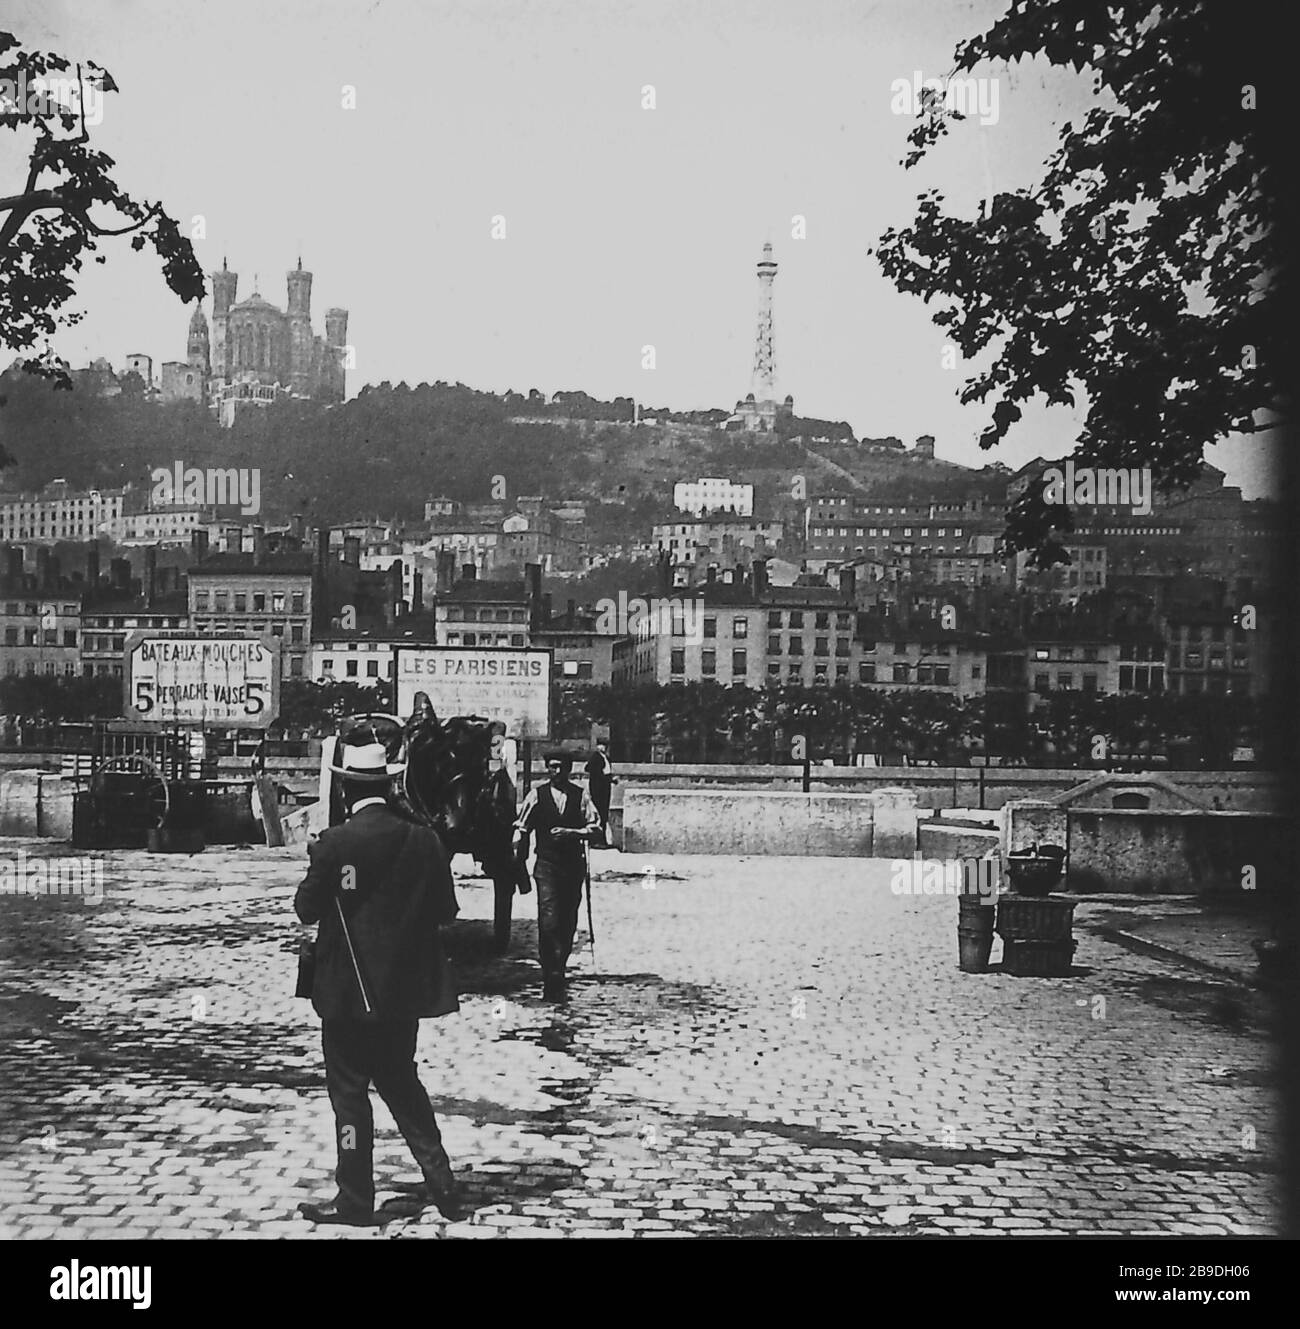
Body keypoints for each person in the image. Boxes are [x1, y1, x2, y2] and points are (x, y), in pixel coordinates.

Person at [294, 742, 465, 1226]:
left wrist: (325, 869)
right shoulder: (425, 841)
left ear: (346, 787)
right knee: (403, 1086)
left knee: (350, 1102)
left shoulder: (335, 843)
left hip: (346, 996)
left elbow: (306, 909)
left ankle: (354, 1199)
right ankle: (444, 1185)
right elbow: (445, 913)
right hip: (402, 993)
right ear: (390, 786)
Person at [514, 750, 600, 1001]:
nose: (557, 771)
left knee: (567, 921)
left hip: (573, 867)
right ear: (547, 768)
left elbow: (596, 829)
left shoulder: (580, 795)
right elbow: (522, 828)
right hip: (547, 866)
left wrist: (573, 833)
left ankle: (559, 967)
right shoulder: (536, 796)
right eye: (552, 767)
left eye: (561, 767)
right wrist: (518, 861)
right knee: (548, 920)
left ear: (569, 768)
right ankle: (549, 971)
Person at [583, 739, 617, 847]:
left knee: (604, 814)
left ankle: (602, 840)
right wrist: (607, 778)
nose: (603, 748)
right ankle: (596, 840)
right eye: (601, 745)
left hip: (605, 788)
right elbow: (589, 769)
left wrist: (610, 779)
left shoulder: (606, 758)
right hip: (598, 788)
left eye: (605, 746)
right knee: (598, 813)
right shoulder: (595, 757)